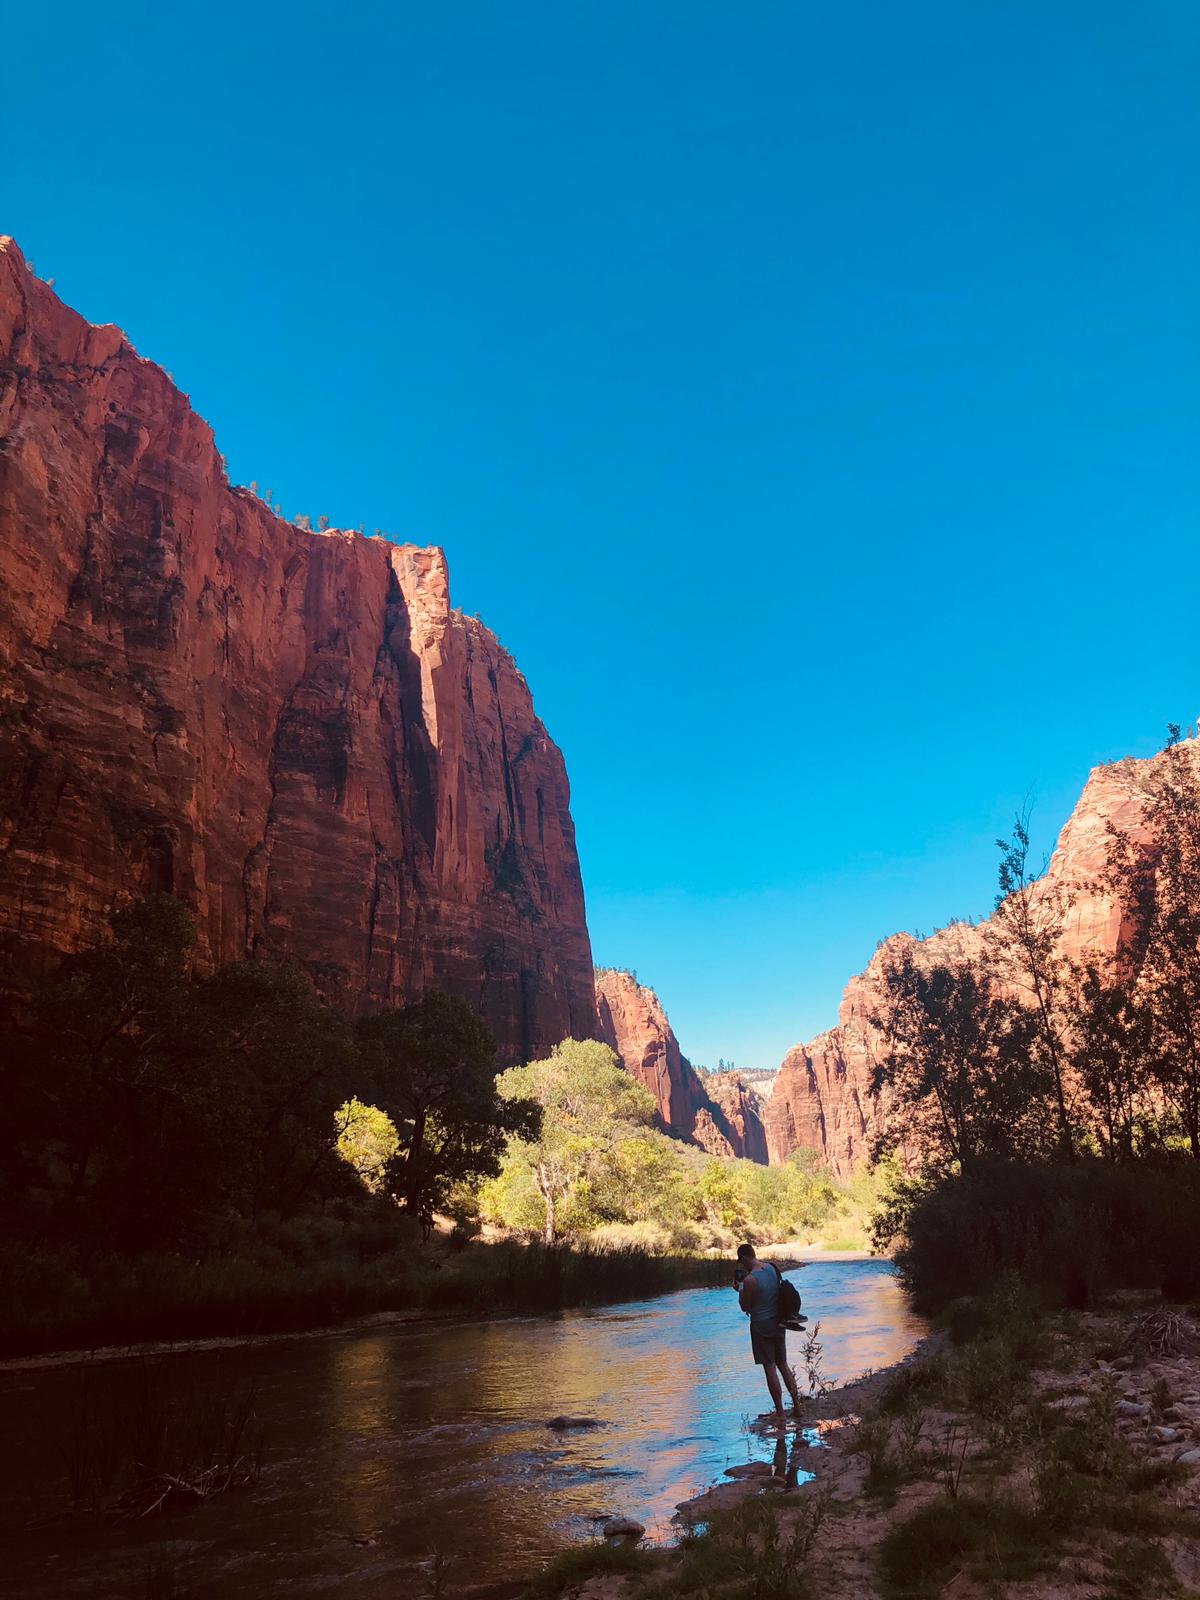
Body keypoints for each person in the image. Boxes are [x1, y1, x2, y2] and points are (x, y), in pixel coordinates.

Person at [736, 1242, 802, 1416]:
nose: (741, 1265)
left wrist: (740, 1287)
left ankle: (780, 1412)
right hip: (779, 1323)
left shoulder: (750, 1280)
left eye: (741, 1262)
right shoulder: (772, 1268)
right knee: (783, 1364)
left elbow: (744, 1306)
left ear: (743, 1258)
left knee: (770, 1368)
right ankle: (797, 1406)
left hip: (761, 1326)